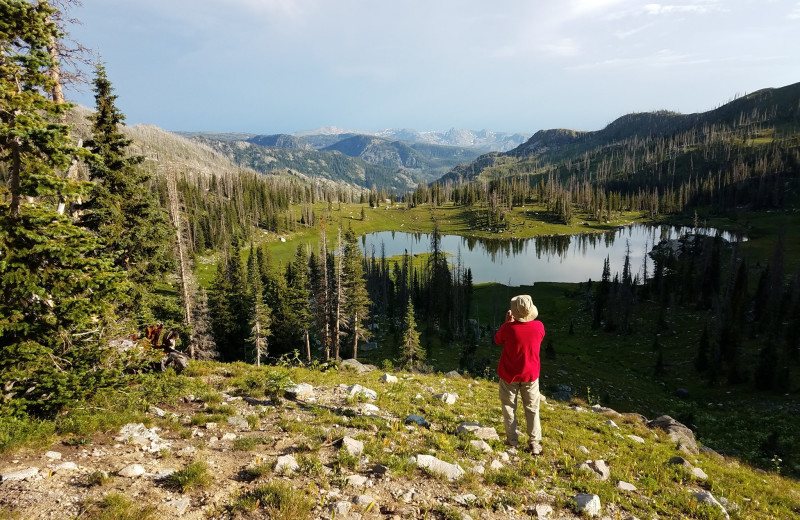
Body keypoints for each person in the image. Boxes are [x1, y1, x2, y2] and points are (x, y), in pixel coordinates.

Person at [494, 294, 545, 454]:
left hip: (509, 375)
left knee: (509, 407)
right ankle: (534, 443)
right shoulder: (539, 327)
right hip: (530, 375)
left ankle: (512, 442)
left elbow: (497, 340)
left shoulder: (508, 328)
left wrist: (508, 322)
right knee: (532, 408)